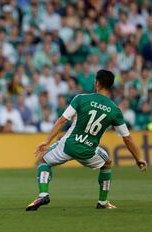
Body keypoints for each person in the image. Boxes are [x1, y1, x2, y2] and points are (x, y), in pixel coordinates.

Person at [26, 69, 147, 211]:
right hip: (88, 151)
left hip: (68, 145)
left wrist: (46, 141)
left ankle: (43, 194)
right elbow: (127, 138)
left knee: (43, 160)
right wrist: (138, 158)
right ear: (110, 86)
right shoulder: (115, 110)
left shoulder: (81, 99)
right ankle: (103, 202)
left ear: (97, 83)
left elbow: (62, 121)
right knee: (107, 164)